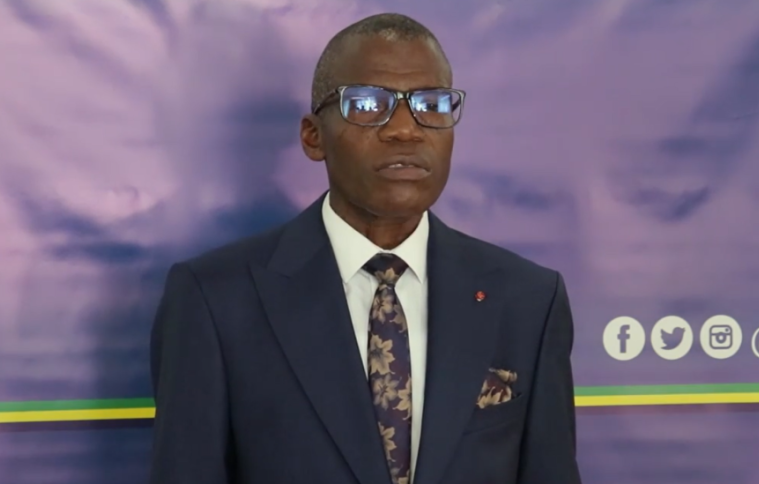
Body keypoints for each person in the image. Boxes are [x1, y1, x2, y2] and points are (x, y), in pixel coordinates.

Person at [149, 12, 582, 484]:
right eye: (369, 104)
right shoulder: (215, 299)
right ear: (313, 136)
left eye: (431, 104)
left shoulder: (527, 300)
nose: (405, 129)